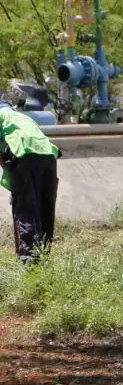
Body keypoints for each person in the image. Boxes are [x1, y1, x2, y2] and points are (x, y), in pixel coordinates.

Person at [0, 101, 61, 263]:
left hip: (25, 157)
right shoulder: (22, 117)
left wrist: (11, 176)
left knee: (26, 210)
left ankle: (29, 263)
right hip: (48, 156)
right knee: (44, 209)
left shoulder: (1, 116)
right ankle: (43, 257)